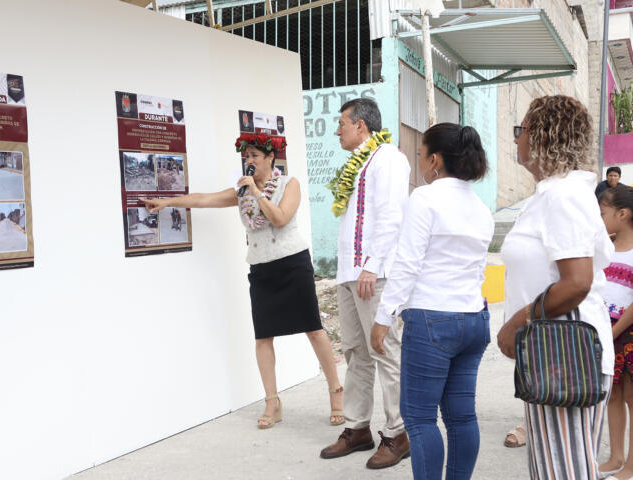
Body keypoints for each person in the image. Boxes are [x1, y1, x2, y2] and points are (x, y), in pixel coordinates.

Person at [139, 132, 344, 429]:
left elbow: (280, 218)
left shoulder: (290, 184)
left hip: (292, 264)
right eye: (246, 157)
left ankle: (335, 389)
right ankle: (272, 401)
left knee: (313, 329)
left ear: (270, 158)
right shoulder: (240, 192)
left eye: (254, 157)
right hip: (261, 268)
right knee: (263, 337)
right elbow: (205, 199)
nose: (249, 162)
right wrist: (167, 201)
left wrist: (257, 193)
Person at [496, 95, 614, 479]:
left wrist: (518, 321)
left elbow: (577, 283)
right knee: (555, 470)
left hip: (566, 353)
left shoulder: (564, 196)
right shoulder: (549, 195)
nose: (517, 140)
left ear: (545, 136)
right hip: (552, 353)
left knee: (566, 473)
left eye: (522, 130)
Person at [370, 123, 493, 479]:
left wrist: (383, 317)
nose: (420, 160)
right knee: (462, 416)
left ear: (435, 160)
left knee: (420, 417)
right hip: (473, 319)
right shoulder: (480, 207)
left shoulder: (424, 198)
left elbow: (407, 263)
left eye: (421, 154)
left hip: (432, 320)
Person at [320, 98, 411, 470]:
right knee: (356, 353)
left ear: (361, 126)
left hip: (374, 274)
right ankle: (358, 428)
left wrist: (372, 267)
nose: (337, 130)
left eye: (342, 123)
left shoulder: (388, 157)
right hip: (350, 273)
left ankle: (398, 433)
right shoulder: (357, 163)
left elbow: (391, 215)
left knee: (385, 351)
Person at [597, 185, 633, 479]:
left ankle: (632, 465)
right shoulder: (605, 248)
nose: (600, 219)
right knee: (613, 396)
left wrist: (614, 331)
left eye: (603, 213)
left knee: (632, 398)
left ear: (622, 214)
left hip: (627, 333)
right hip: (606, 332)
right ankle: (616, 457)